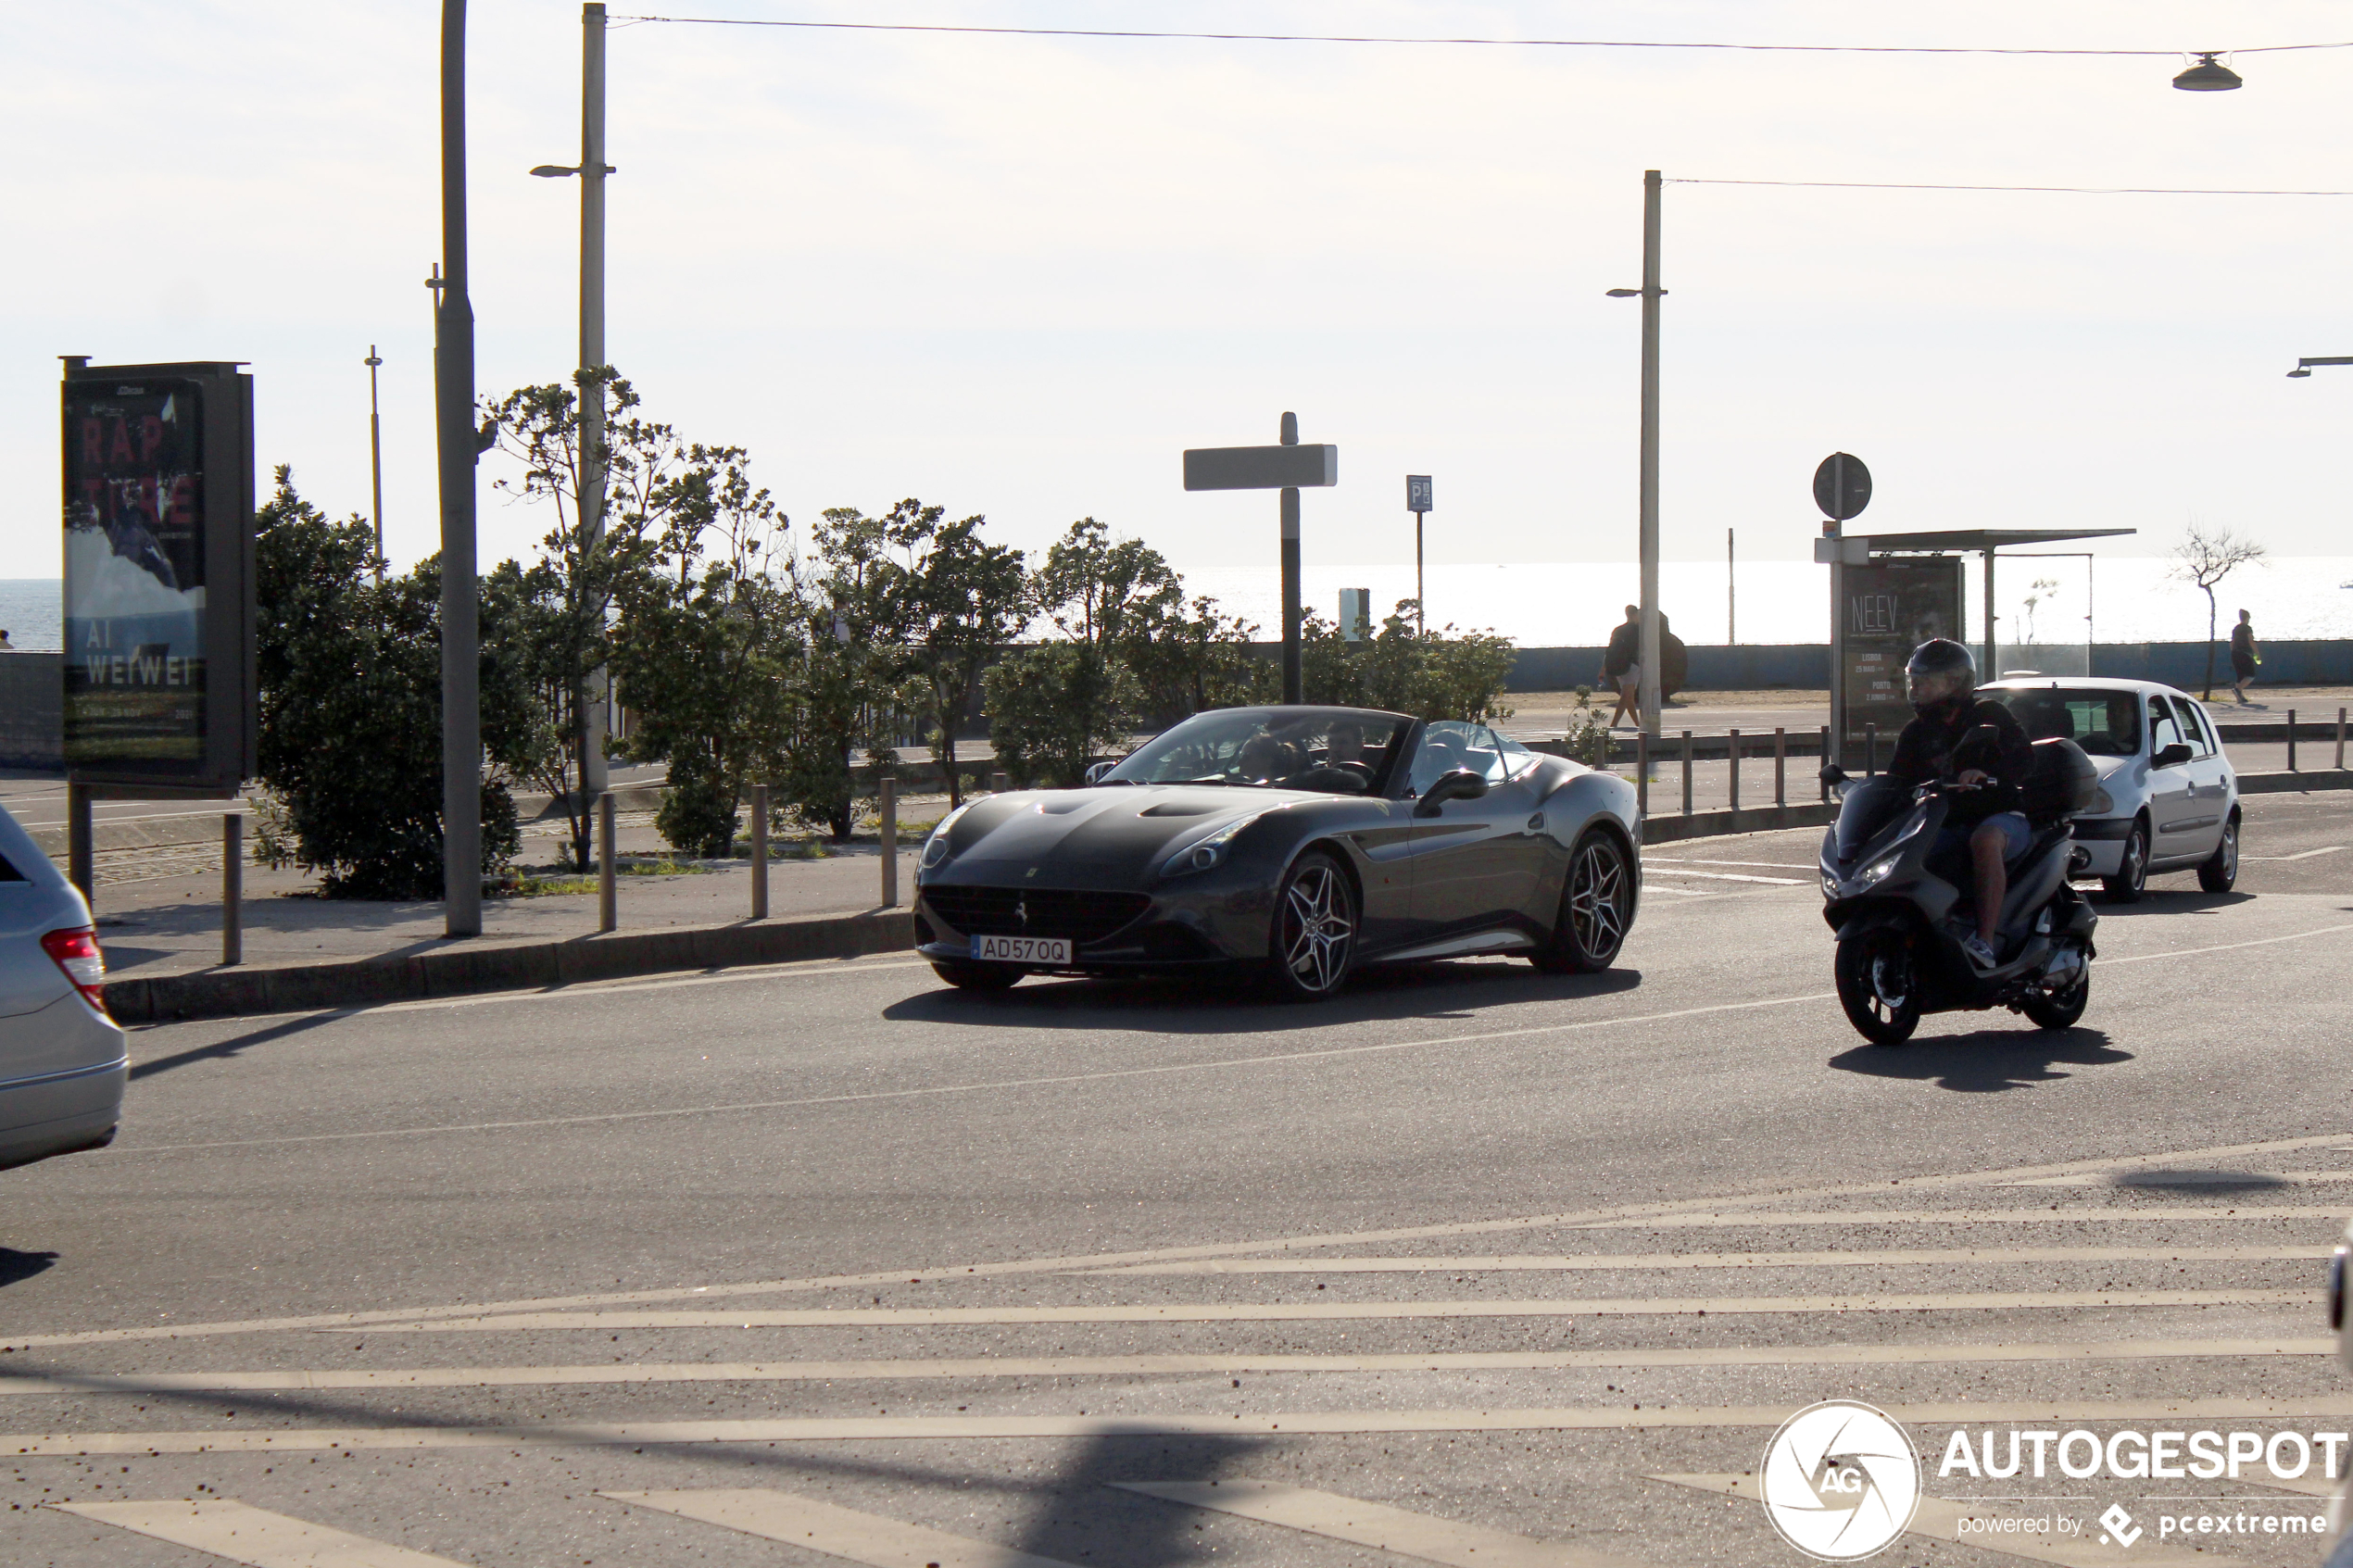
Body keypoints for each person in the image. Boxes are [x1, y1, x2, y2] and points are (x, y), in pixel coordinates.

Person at [1883, 638, 2034, 971]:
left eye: (1925, 679)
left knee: (1985, 840)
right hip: (1944, 822)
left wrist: (1987, 773)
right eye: (1914, 679)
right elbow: (1896, 780)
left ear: (1953, 681)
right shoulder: (1916, 731)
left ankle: (1985, 938)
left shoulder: (1989, 714)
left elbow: (2024, 758)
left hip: (2000, 815)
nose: (1916, 686)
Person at [1600, 605, 1642, 729]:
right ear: (1636, 614)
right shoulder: (1638, 629)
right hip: (1632, 665)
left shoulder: (1618, 630)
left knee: (1627, 697)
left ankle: (1634, 724)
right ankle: (1618, 724)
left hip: (1618, 665)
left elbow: (1610, 651)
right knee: (1627, 696)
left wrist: (1603, 668)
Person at [2228, 609, 2260, 704]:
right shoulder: (2247, 628)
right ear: (2247, 618)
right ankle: (2238, 690)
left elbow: (2232, 642)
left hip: (2235, 653)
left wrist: (2233, 651)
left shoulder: (2236, 628)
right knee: (2251, 675)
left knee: (2240, 675)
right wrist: (2257, 653)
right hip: (2245, 653)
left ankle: (2240, 698)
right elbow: (2251, 641)